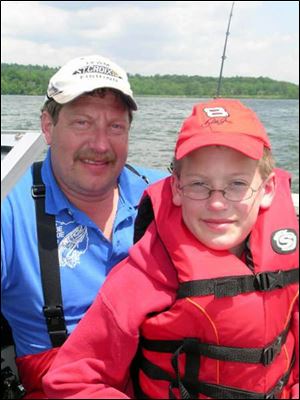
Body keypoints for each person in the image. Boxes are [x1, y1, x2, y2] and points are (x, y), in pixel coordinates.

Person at [43, 98, 299, 399]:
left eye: (237, 184)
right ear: (176, 188)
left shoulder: (287, 255)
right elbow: (70, 380)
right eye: (199, 184)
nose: (217, 203)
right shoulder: (141, 277)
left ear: (267, 189)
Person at [1, 54, 168, 398]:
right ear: (48, 126)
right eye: (82, 123)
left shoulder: (168, 194)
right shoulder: (9, 209)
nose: (101, 144)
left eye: (116, 126)